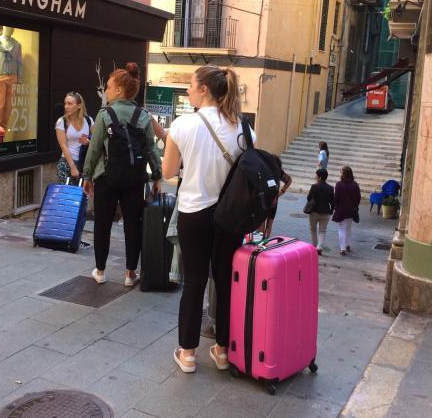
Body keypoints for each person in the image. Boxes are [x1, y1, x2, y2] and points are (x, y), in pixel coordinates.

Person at [162, 65, 254, 374]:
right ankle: (222, 351)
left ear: (203, 89)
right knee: (226, 282)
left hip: (194, 213)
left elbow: (168, 172)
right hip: (230, 217)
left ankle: (188, 353)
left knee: (194, 282)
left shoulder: (183, 125)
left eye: (190, 84)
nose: (187, 90)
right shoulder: (244, 129)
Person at [82, 63, 162, 287]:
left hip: (106, 177)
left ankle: (100, 271)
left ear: (118, 90)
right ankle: (129, 273)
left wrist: (87, 176)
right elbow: (151, 149)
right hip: (134, 179)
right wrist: (157, 176)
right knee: (133, 225)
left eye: (108, 87)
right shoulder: (143, 116)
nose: (106, 91)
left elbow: (94, 148)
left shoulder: (104, 115)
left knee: (103, 224)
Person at [56, 92, 93, 185]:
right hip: (67, 163)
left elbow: (96, 139)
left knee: (82, 193)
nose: (66, 107)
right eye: (65, 103)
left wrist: (89, 142)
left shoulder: (88, 120)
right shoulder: (62, 121)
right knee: (68, 193)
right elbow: (63, 146)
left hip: (84, 164)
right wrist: (72, 167)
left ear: (79, 106)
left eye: (70, 104)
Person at [260, 155, 292, 239]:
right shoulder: (277, 171)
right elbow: (289, 180)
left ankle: (262, 241)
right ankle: (264, 241)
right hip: (271, 201)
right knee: (266, 223)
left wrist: (282, 191)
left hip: (265, 201)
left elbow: (289, 180)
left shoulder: (272, 171)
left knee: (263, 223)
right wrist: (282, 191)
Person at [332, 166, 361, 256]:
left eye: (341, 172)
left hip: (341, 209)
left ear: (343, 174)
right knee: (348, 227)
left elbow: (336, 198)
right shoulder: (355, 184)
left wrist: (335, 207)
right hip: (351, 210)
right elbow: (358, 197)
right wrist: (355, 205)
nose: (340, 174)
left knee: (342, 228)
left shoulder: (339, 184)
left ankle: (342, 248)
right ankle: (348, 244)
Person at [306, 168, 335, 255]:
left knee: (313, 230)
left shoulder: (314, 186)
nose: (315, 177)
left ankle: (314, 246)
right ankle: (319, 247)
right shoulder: (330, 188)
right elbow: (333, 201)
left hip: (314, 212)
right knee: (322, 231)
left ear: (319, 177)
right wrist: (331, 211)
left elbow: (308, 198)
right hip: (325, 212)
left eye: (316, 176)